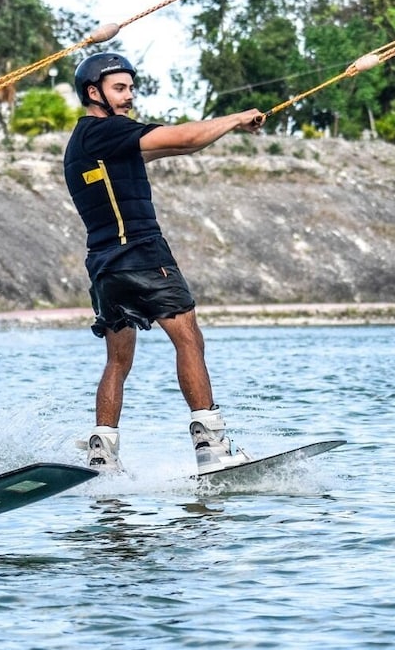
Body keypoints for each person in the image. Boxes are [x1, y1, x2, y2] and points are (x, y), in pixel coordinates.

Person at [63, 52, 264, 475]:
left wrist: (226, 131)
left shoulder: (87, 145)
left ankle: (103, 453)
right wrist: (234, 119)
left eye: (131, 88)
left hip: (103, 268)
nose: (129, 96)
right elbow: (185, 138)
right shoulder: (107, 131)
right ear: (93, 93)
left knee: (117, 362)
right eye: (120, 88)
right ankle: (211, 447)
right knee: (189, 340)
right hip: (142, 254)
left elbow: (175, 147)